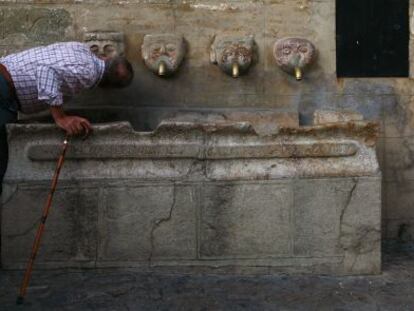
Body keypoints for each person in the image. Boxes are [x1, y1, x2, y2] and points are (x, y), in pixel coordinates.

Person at [0, 41, 134, 194]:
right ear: (109, 88)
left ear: (106, 58)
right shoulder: (89, 74)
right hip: (4, 90)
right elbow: (45, 70)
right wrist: (60, 117)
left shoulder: (80, 48)